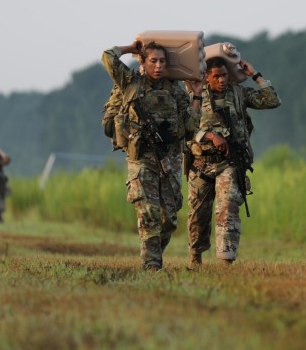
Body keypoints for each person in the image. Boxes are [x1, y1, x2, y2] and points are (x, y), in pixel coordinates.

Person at [101, 40, 203, 271]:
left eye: (162, 61)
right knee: (149, 213)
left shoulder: (175, 91)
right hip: (142, 159)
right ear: (144, 62)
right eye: (153, 61)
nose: (158, 66)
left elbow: (189, 127)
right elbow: (108, 57)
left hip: (170, 160)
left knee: (169, 219)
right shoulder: (130, 83)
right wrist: (130, 48)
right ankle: (152, 265)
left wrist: (196, 96)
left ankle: (154, 253)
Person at [186, 55, 281, 266]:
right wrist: (209, 135)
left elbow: (272, 101)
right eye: (216, 76)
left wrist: (255, 75)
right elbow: (184, 127)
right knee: (198, 215)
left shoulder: (238, 94)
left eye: (225, 75)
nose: (221, 80)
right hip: (201, 164)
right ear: (206, 77)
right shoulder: (195, 96)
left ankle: (226, 261)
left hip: (230, 163)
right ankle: (195, 258)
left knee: (228, 208)